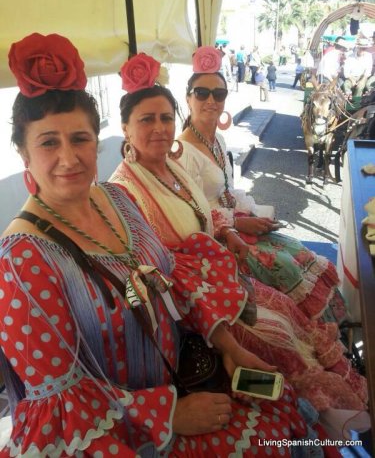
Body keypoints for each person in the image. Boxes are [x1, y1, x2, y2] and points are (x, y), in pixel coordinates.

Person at [0, 34, 325, 457]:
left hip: (184, 372)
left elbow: (171, 279)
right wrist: (170, 414)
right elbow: (61, 400)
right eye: (48, 142)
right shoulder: (21, 259)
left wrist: (230, 347)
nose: (69, 157)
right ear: (24, 154)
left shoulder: (116, 200)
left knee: (283, 405)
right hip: (118, 429)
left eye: (79, 139)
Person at [110, 49, 368, 416]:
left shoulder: (171, 164)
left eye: (165, 118)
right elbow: (162, 273)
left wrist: (229, 234)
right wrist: (228, 343)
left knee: (291, 314)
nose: (159, 128)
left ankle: (333, 394)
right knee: (278, 341)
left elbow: (204, 211)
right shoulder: (125, 190)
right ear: (125, 128)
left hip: (221, 277)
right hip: (193, 310)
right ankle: (306, 412)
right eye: (146, 119)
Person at [178, 46, 348, 326]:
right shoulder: (184, 151)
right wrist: (237, 224)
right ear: (188, 99)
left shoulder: (218, 141)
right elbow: (191, 212)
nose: (211, 100)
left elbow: (229, 192)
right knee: (287, 267)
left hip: (238, 222)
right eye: (202, 93)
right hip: (216, 239)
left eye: (218, 94)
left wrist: (252, 216)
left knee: (301, 253)